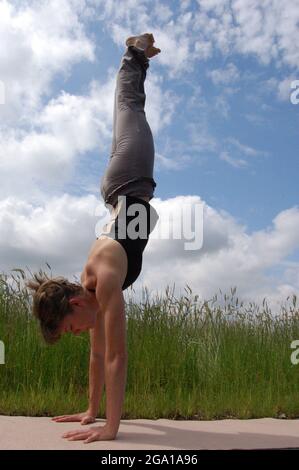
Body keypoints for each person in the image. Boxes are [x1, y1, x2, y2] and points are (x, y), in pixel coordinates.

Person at [26, 33, 161, 443]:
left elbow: (118, 356)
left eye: (69, 328)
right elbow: (99, 355)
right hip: (119, 188)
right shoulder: (95, 293)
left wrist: (111, 430)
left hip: (129, 179)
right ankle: (137, 59)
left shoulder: (102, 278)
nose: (78, 332)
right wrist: (90, 411)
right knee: (127, 113)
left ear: (74, 303)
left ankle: (133, 53)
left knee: (129, 107)